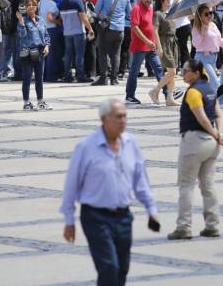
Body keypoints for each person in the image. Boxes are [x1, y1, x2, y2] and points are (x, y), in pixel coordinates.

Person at [60, 98, 160, 286]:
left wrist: (151, 209)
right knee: (109, 267)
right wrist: (68, 220)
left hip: (123, 216)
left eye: (125, 116)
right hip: (95, 217)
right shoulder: (86, 147)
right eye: (118, 117)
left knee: (122, 268)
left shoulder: (131, 144)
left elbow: (141, 180)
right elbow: (71, 185)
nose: (123, 120)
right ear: (104, 119)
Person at [168, 59, 223, 239]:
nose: (182, 74)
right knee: (208, 185)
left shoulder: (193, 92)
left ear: (195, 72)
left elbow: (201, 118)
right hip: (211, 143)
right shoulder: (209, 89)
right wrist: (219, 133)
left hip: (195, 141)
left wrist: (216, 134)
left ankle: (184, 227)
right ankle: (212, 224)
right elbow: (218, 113)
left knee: (186, 185)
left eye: (185, 71)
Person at [125, 0, 164, 104]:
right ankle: (129, 96)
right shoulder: (136, 8)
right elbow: (135, 27)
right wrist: (147, 41)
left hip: (151, 46)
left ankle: (167, 92)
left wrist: (154, 42)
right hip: (140, 46)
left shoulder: (152, 9)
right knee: (134, 71)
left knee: (159, 69)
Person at [92, 0, 131, 86]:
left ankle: (103, 78)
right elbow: (129, 14)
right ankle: (114, 79)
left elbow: (96, 11)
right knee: (116, 54)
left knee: (103, 53)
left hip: (106, 28)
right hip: (120, 29)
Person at [17, 0, 51, 111]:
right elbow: (21, 35)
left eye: (33, 5)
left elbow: (46, 34)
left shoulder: (40, 19)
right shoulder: (23, 20)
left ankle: (40, 101)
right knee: (27, 78)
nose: (31, 7)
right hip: (28, 52)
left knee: (39, 78)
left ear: (36, 7)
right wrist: (21, 21)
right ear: (25, 8)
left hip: (40, 51)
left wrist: (46, 45)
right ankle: (26, 102)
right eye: (28, 5)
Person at [191, 3, 223, 95]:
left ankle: (203, 100)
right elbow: (195, 44)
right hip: (202, 57)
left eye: (210, 13)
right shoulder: (197, 27)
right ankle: (211, 102)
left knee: (208, 82)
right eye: (206, 14)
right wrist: (202, 33)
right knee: (215, 82)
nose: (209, 15)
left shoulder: (212, 24)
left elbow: (217, 38)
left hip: (213, 57)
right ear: (200, 16)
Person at [150, 0, 178, 106]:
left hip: (173, 42)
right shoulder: (158, 14)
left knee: (172, 73)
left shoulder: (170, 13)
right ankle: (155, 90)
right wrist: (159, 47)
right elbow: (155, 31)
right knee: (172, 71)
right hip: (164, 42)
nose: (169, 0)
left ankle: (169, 98)